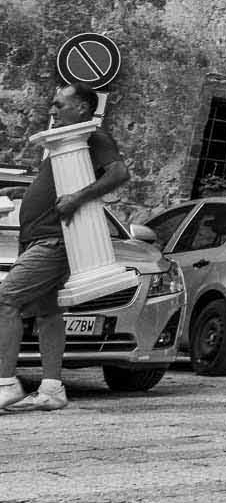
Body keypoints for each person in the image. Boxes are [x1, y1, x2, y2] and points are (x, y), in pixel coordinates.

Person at [0, 82, 129, 414]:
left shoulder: (93, 136)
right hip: (38, 238)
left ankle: (5, 384)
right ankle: (52, 388)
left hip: (55, 240)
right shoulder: (63, 142)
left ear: (83, 108)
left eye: (59, 104)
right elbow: (56, 184)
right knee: (48, 313)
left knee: (6, 298)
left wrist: (77, 199)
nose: (52, 110)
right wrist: (25, 195)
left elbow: (119, 173)